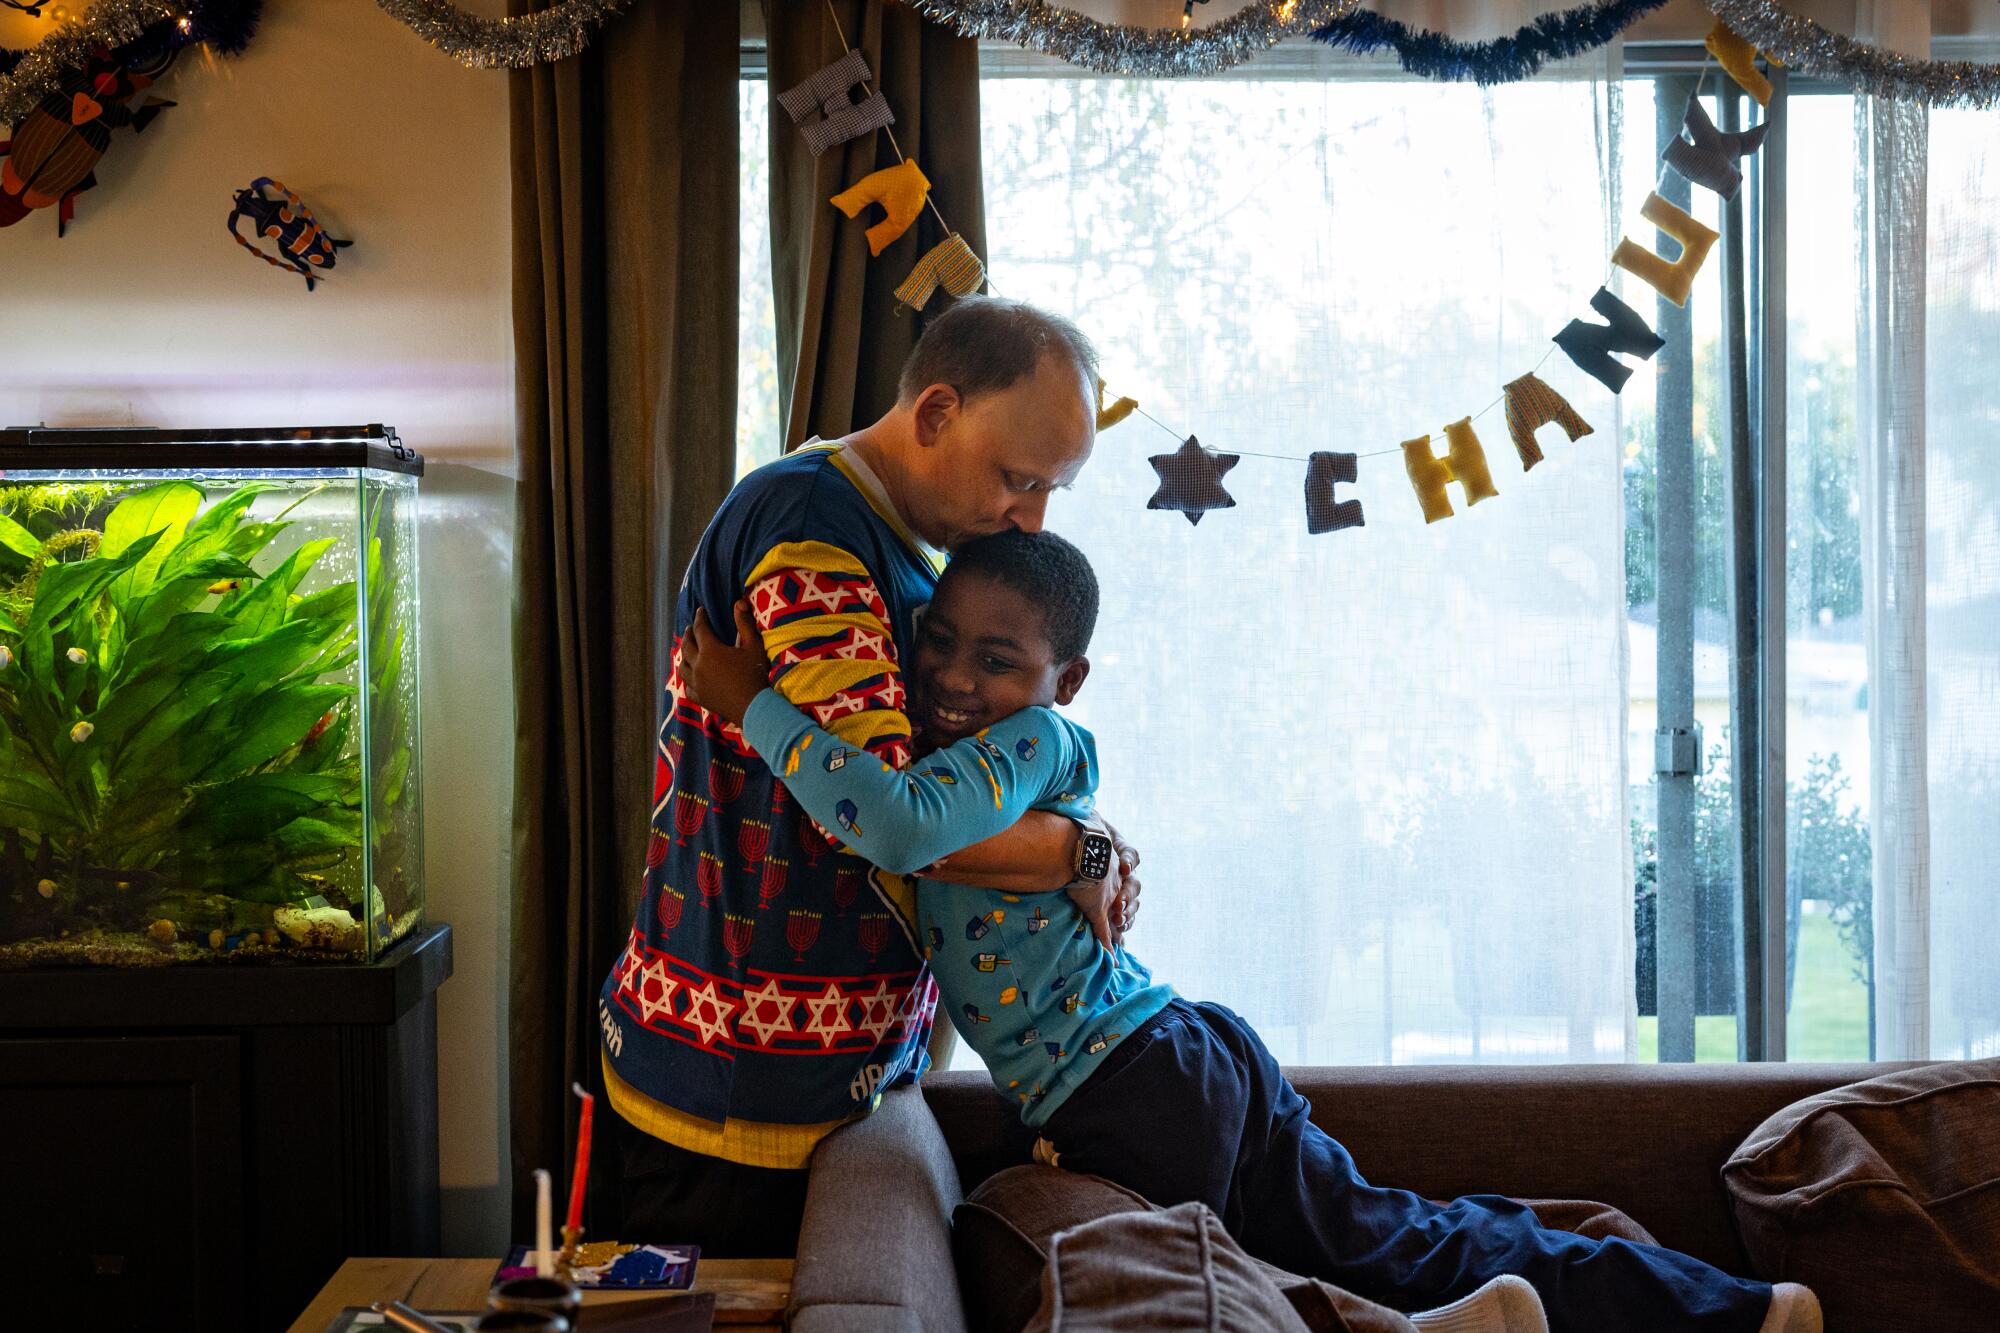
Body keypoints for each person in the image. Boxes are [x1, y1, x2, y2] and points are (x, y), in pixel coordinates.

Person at [681, 529, 1825, 1333]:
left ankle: (1672, 1311)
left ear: (1061, 679)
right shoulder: (960, 761)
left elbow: (889, 823)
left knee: (1296, 1268)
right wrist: (1088, 852)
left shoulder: (1025, 745)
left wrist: (747, 703)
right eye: (937, 643)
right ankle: (1728, 1305)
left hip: (1133, 1083)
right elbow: (924, 826)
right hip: (1170, 1050)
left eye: (996, 658)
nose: (950, 677)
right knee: (1395, 1231)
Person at [598, 297, 1141, 1258]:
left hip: (799, 1073)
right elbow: (900, 820)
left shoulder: (897, 544)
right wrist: (1075, 849)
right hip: (741, 1084)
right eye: (1019, 479)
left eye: (1051, 489)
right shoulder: (817, 536)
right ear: (936, 413)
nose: (1031, 516)